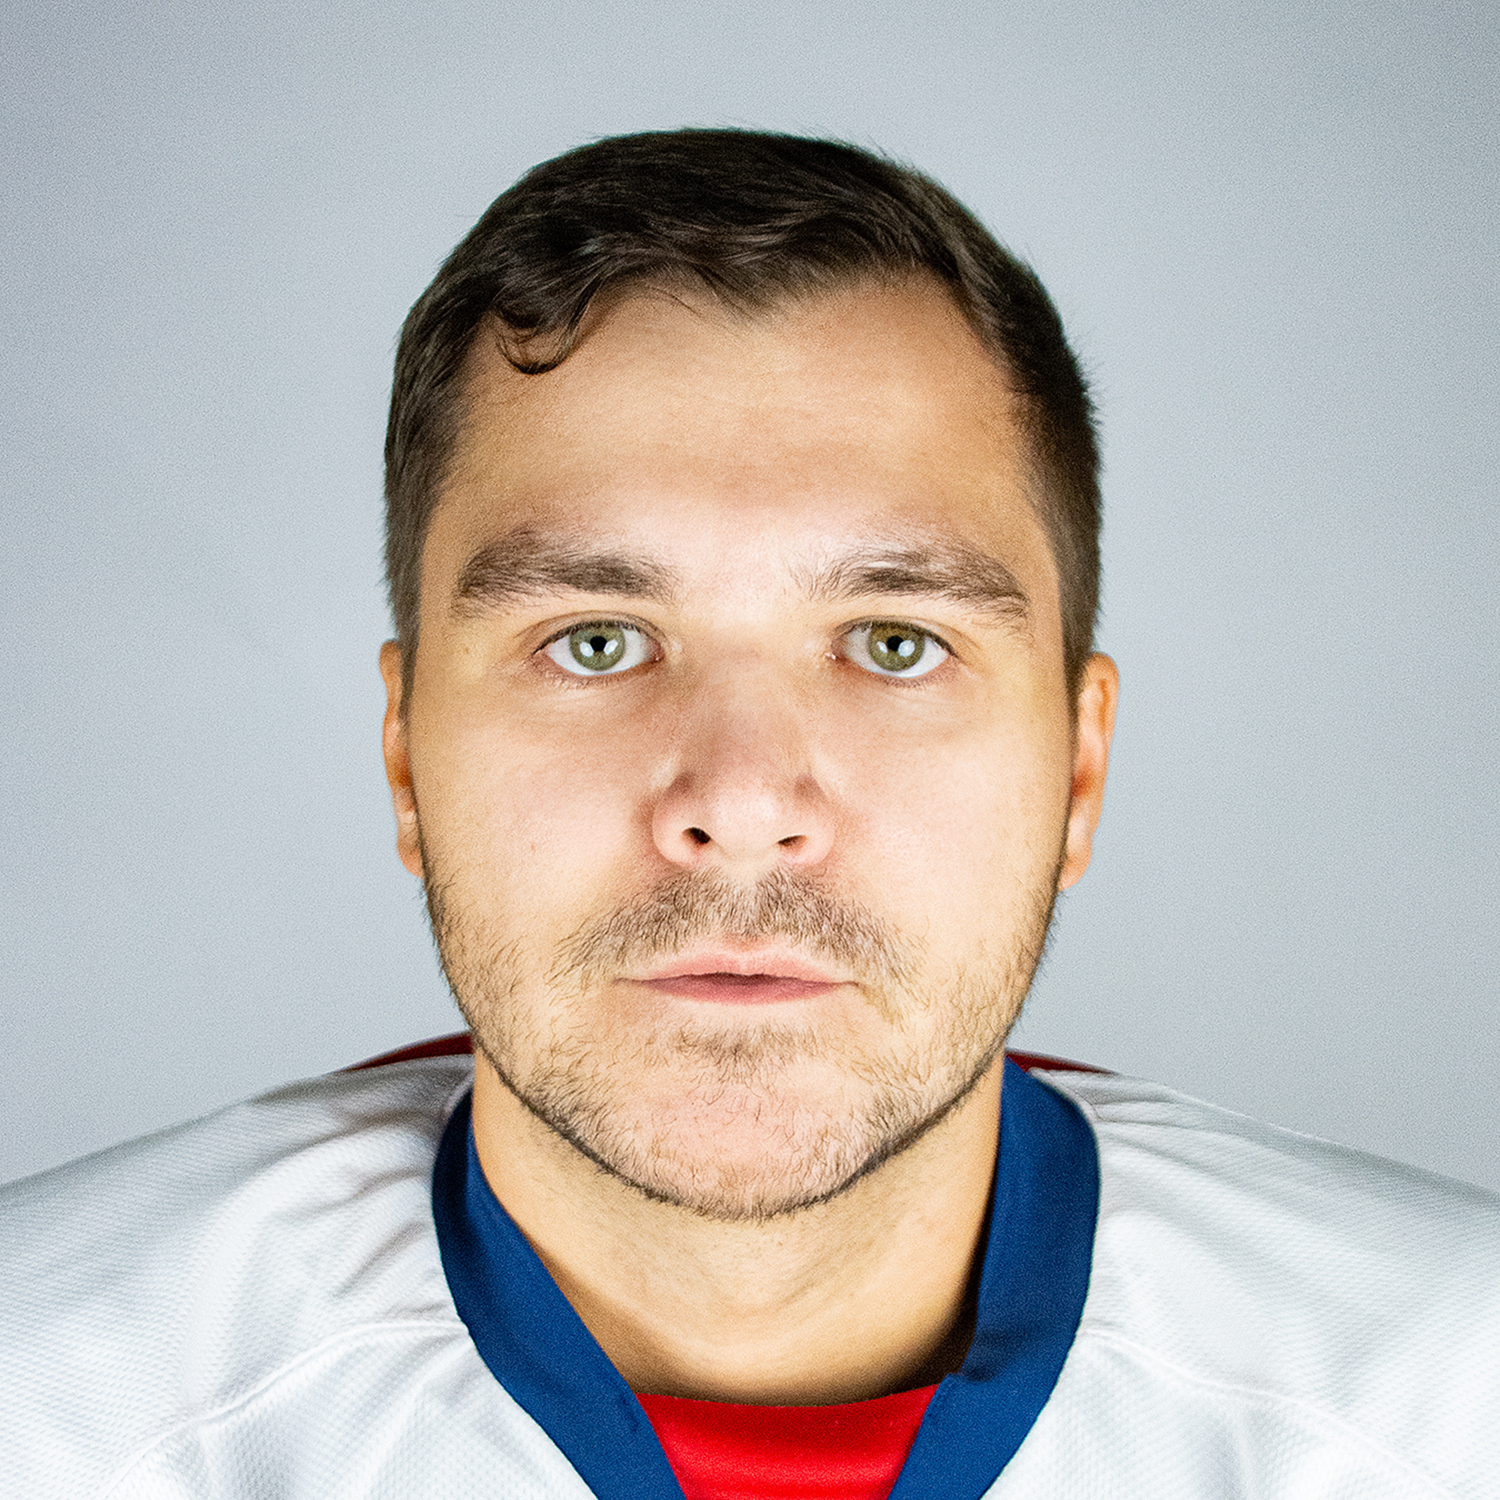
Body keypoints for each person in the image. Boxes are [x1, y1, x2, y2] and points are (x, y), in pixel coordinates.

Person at [1, 129, 1496, 1500]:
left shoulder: (1451, 1401)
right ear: (405, 755)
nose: (737, 805)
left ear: (1079, 772)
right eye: (596, 641)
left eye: (895, 643)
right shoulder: (48, 1406)